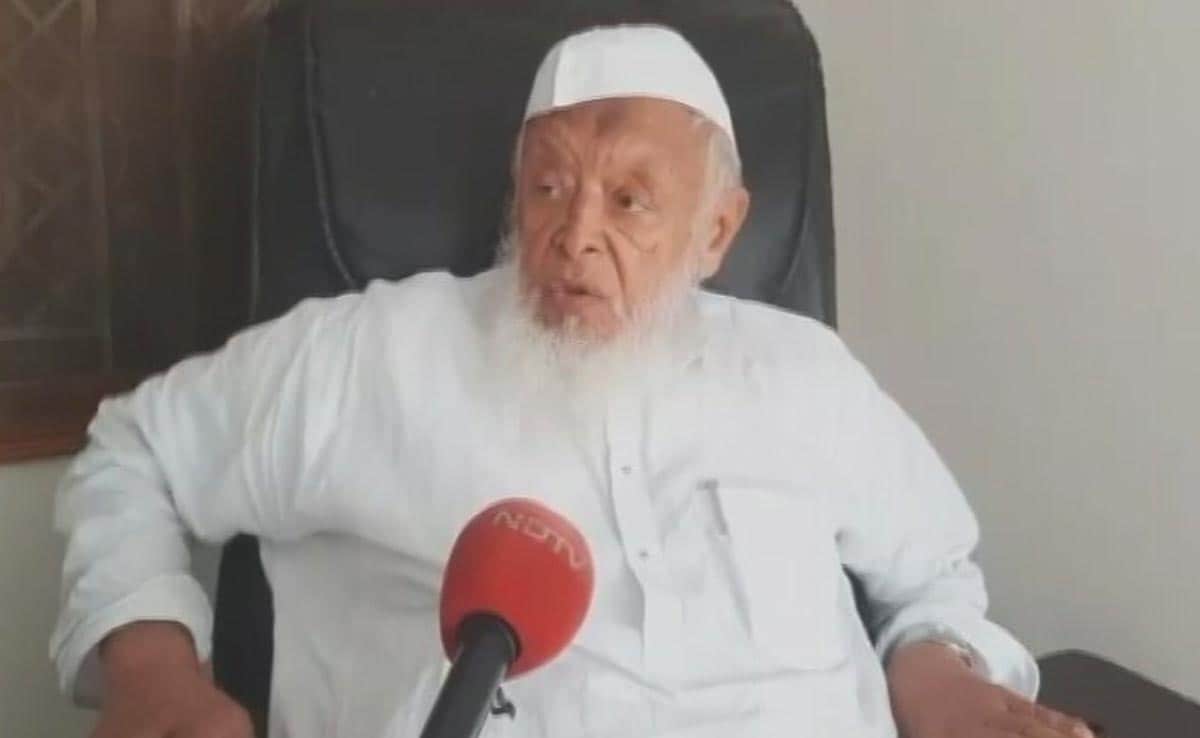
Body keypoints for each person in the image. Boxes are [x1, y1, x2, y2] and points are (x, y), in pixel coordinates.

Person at [52, 24, 1093, 738]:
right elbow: (134, 452)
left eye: (631, 199)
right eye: (549, 185)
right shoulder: (376, 354)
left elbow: (932, 574)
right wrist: (151, 667)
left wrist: (938, 676)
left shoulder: (807, 377)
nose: (576, 232)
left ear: (718, 230)